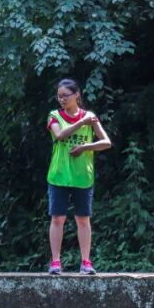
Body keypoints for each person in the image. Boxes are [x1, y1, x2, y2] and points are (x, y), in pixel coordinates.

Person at [46, 78, 112, 275]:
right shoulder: (54, 115)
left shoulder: (90, 117)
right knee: (58, 218)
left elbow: (106, 142)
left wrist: (85, 147)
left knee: (83, 219)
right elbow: (59, 135)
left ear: (77, 95)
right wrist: (82, 122)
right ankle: (56, 262)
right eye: (59, 96)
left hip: (83, 177)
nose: (62, 99)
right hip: (59, 175)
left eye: (66, 95)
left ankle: (86, 262)